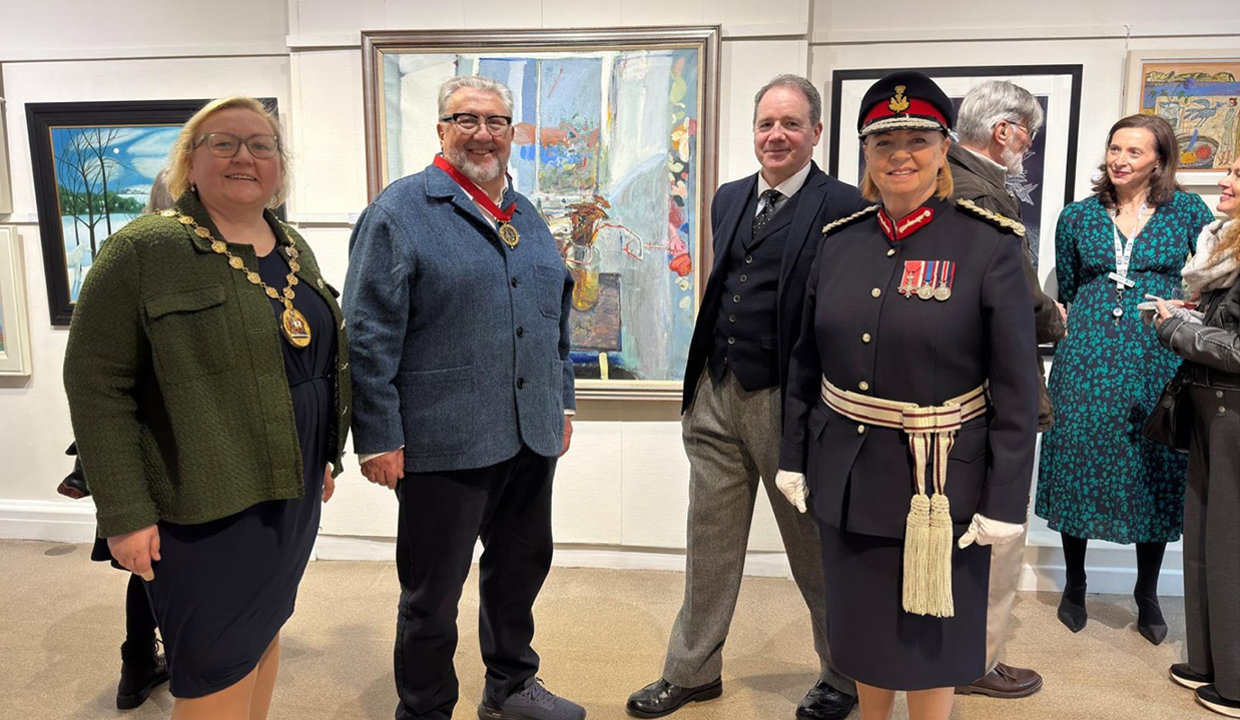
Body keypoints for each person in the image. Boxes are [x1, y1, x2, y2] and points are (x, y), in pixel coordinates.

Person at [63, 96, 349, 720]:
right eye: (223, 143)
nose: (245, 156)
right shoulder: (145, 249)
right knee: (215, 661)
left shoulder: (292, 245)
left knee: (264, 627)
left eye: (262, 145)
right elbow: (95, 383)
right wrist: (124, 513)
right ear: (188, 164)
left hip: (291, 487)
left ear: (279, 167)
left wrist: (322, 452)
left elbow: (309, 363)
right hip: (203, 497)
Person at [774, 70, 1039, 720]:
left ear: (943, 145)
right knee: (861, 639)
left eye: (917, 137)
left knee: (930, 644)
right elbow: (805, 362)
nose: (900, 153)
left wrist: (1007, 502)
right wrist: (792, 454)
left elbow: (1016, 390)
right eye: (882, 139)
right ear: (864, 152)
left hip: (941, 487)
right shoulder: (839, 243)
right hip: (848, 479)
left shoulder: (988, 244)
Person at [625, 74, 867, 720]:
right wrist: (702, 383)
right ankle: (693, 670)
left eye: (791, 124)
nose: (776, 135)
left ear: (816, 132)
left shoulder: (845, 204)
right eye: (766, 124)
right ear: (753, 132)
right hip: (717, 392)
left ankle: (843, 678)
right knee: (708, 542)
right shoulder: (729, 197)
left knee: (815, 551)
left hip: (790, 404)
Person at [343, 75, 580, 720]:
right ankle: (424, 709)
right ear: (441, 129)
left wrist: (562, 403)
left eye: (496, 121)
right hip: (442, 440)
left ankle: (509, 687)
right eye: (466, 119)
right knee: (432, 593)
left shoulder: (525, 215)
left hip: (529, 436)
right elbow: (366, 333)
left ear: (511, 133)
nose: (483, 133)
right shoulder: (399, 212)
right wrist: (378, 434)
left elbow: (555, 318)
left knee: (520, 569)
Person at [1035, 114, 1213, 644]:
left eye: (1134, 152)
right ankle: (1075, 583)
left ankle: (1148, 592)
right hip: (1087, 353)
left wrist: (1184, 307)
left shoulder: (1188, 210)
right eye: (1115, 148)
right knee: (1078, 454)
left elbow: (1204, 281)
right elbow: (1069, 287)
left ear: (1159, 159)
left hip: (1154, 355)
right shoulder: (1077, 216)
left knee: (1152, 462)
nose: (1120, 160)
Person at [947, 79, 1062, 700]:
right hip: (994, 386)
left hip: (956, 387)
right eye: (1028, 135)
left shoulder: (943, 180)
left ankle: (957, 651)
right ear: (1005, 132)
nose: (1028, 147)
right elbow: (1016, 299)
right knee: (996, 528)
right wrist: (1056, 318)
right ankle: (977, 661)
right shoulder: (984, 192)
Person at [1153, 157, 1240, 718]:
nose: (1225, 181)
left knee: (1231, 547)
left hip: (1235, 414)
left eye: (1238, 174)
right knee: (1205, 538)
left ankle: (1236, 684)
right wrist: (1192, 313)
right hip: (1213, 408)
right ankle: (1210, 661)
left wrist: (1176, 327)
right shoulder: (1227, 248)